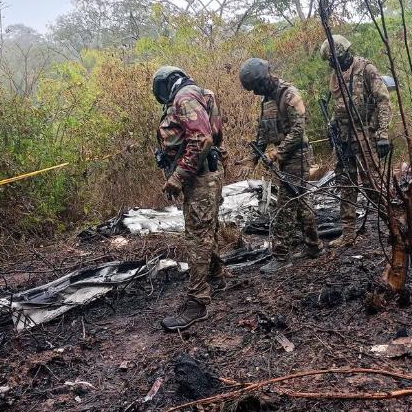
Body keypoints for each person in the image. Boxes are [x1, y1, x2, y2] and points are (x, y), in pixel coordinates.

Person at [153, 65, 226, 331]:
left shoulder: (184, 98)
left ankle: (197, 303)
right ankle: (217, 276)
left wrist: (177, 177)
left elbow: (202, 139)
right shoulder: (201, 93)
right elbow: (214, 136)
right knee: (207, 230)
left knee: (197, 237)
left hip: (200, 177)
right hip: (208, 174)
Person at [237, 58, 323, 274]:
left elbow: (298, 131)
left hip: (297, 156)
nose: (255, 92)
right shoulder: (266, 100)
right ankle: (314, 247)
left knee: (285, 206)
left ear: (265, 79)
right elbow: (262, 131)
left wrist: (277, 152)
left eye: (256, 87)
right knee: (301, 201)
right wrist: (252, 157)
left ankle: (281, 256)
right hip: (285, 158)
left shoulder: (289, 94)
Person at [319, 35, 392, 248]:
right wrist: (332, 125)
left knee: (372, 186)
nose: (333, 65)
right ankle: (348, 234)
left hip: (366, 138)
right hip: (344, 140)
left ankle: (393, 225)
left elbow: (383, 102)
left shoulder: (366, 70)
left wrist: (382, 134)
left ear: (345, 54)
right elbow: (339, 106)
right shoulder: (335, 76)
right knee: (346, 186)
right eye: (330, 62)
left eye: (335, 60)